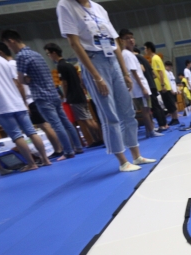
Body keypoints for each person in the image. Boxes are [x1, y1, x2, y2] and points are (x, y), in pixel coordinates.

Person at [56, 0, 156, 172]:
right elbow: (74, 43)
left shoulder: (98, 8)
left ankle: (136, 156)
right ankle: (122, 161)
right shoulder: (66, 5)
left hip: (113, 60)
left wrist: (125, 72)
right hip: (94, 61)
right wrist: (96, 76)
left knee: (128, 112)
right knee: (110, 115)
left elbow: (115, 41)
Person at [0, 28, 51, 172]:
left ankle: (31, 163)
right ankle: (45, 159)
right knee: (31, 132)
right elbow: (17, 83)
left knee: (16, 135)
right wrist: (24, 102)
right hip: (17, 101)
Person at [2, 29, 85, 162]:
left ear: (11, 41)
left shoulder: (21, 56)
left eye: (8, 45)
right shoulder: (37, 54)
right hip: (53, 93)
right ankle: (78, 147)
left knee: (56, 125)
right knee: (66, 122)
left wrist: (27, 79)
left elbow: (21, 80)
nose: (9, 48)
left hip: (41, 95)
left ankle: (68, 151)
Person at [0, 42, 64, 159]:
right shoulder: (15, 63)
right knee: (44, 125)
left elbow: (19, 84)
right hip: (30, 98)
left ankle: (59, 149)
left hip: (29, 99)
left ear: (1, 53)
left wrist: (24, 102)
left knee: (44, 125)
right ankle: (58, 148)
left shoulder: (10, 65)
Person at [43, 42, 104, 147]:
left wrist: (65, 96)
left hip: (74, 96)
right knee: (88, 118)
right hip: (80, 94)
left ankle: (101, 138)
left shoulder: (61, 66)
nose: (48, 56)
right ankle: (97, 139)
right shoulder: (69, 64)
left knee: (86, 120)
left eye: (48, 53)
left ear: (54, 53)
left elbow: (64, 83)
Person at [119, 29, 162, 139]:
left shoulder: (130, 54)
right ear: (122, 41)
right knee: (145, 110)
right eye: (127, 38)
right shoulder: (127, 54)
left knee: (147, 109)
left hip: (140, 86)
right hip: (139, 87)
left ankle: (149, 130)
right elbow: (134, 73)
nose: (131, 40)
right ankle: (151, 131)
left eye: (131, 37)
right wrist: (143, 88)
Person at [133, 46, 168, 131]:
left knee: (154, 107)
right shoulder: (145, 58)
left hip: (147, 85)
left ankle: (161, 125)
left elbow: (142, 69)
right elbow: (154, 73)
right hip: (152, 84)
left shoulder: (136, 58)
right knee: (157, 105)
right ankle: (164, 124)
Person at [144, 42, 180, 126]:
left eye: (145, 48)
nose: (145, 50)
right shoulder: (154, 59)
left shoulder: (155, 58)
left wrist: (163, 85)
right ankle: (173, 118)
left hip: (164, 85)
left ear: (149, 49)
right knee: (167, 103)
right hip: (161, 85)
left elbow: (160, 72)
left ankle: (175, 119)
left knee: (170, 103)